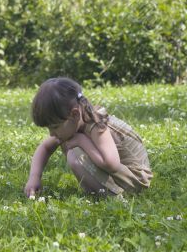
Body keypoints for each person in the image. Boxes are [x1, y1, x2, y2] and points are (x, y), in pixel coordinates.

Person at [24, 77, 153, 197]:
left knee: (74, 155)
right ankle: (103, 192)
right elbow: (45, 148)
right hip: (123, 175)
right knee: (73, 150)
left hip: (136, 178)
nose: (51, 133)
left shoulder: (96, 125)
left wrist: (82, 141)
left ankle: (111, 196)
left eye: (55, 127)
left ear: (74, 114)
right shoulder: (72, 123)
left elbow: (112, 164)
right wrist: (34, 177)